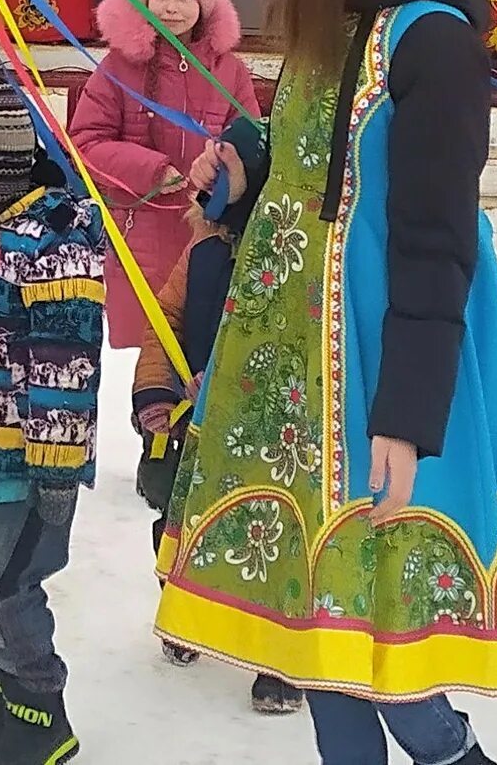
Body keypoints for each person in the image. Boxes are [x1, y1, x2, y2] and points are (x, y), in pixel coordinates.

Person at [154, 0, 497, 765]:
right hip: (286, 371)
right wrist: (244, 171)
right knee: (315, 633)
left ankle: (449, 753)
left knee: (379, 623)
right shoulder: (331, 20)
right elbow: (313, 164)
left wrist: (406, 415)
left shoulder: (426, 37)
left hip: (376, 366)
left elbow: (435, 234)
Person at [0, 78, 106, 765]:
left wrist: (57, 475)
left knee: (6, 591)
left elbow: (65, 371)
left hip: (28, 469)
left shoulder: (55, 243)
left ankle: (40, 709)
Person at [132, 107, 305, 718]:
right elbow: (165, 322)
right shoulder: (203, 249)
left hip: (269, 428)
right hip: (194, 421)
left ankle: (279, 659)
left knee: (272, 535)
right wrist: (157, 393)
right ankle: (185, 608)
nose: (207, 181)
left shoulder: (293, 262)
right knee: (180, 518)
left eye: (223, 169)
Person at [67, 0, 260, 353]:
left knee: (198, 348)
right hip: (138, 231)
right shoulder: (119, 65)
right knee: (139, 356)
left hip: (207, 232)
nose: (171, 8)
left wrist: (223, 178)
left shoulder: (229, 69)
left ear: (205, 3)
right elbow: (86, 140)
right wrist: (152, 169)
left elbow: (250, 143)